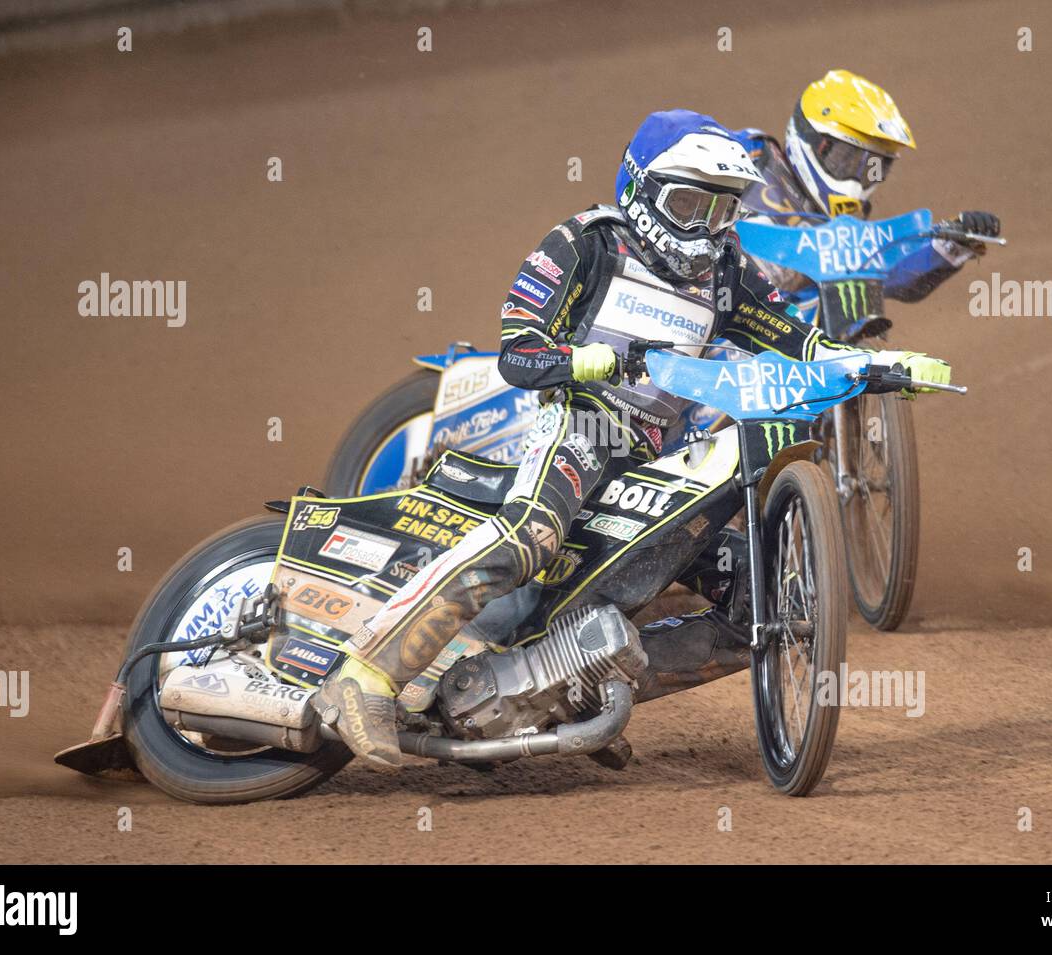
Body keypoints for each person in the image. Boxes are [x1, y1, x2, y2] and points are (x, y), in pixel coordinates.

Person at [313, 110, 953, 772]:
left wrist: (880, 369)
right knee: (528, 534)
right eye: (688, 203)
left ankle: (573, 691)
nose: (706, 226)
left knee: (756, 596)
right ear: (642, 189)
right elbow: (517, 352)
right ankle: (365, 677)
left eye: (722, 208)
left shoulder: (726, 267)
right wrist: (580, 360)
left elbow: (795, 339)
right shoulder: (586, 243)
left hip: (659, 457)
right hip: (581, 429)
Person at [732, 68, 1000, 304]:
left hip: (767, 345)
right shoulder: (751, 154)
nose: (855, 179)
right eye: (847, 159)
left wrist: (946, 246)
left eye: (872, 166)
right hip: (704, 311)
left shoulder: (846, 228)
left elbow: (884, 273)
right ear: (817, 142)